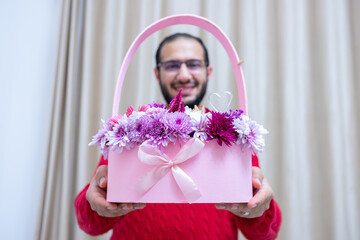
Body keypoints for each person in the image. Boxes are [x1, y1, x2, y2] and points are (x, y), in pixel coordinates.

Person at [74, 33, 282, 239]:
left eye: (193, 64)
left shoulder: (230, 137)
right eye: (172, 65)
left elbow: (265, 234)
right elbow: (90, 225)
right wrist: (95, 202)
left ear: (208, 71)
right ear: (157, 73)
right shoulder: (132, 134)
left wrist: (260, 207)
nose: (183, 75)